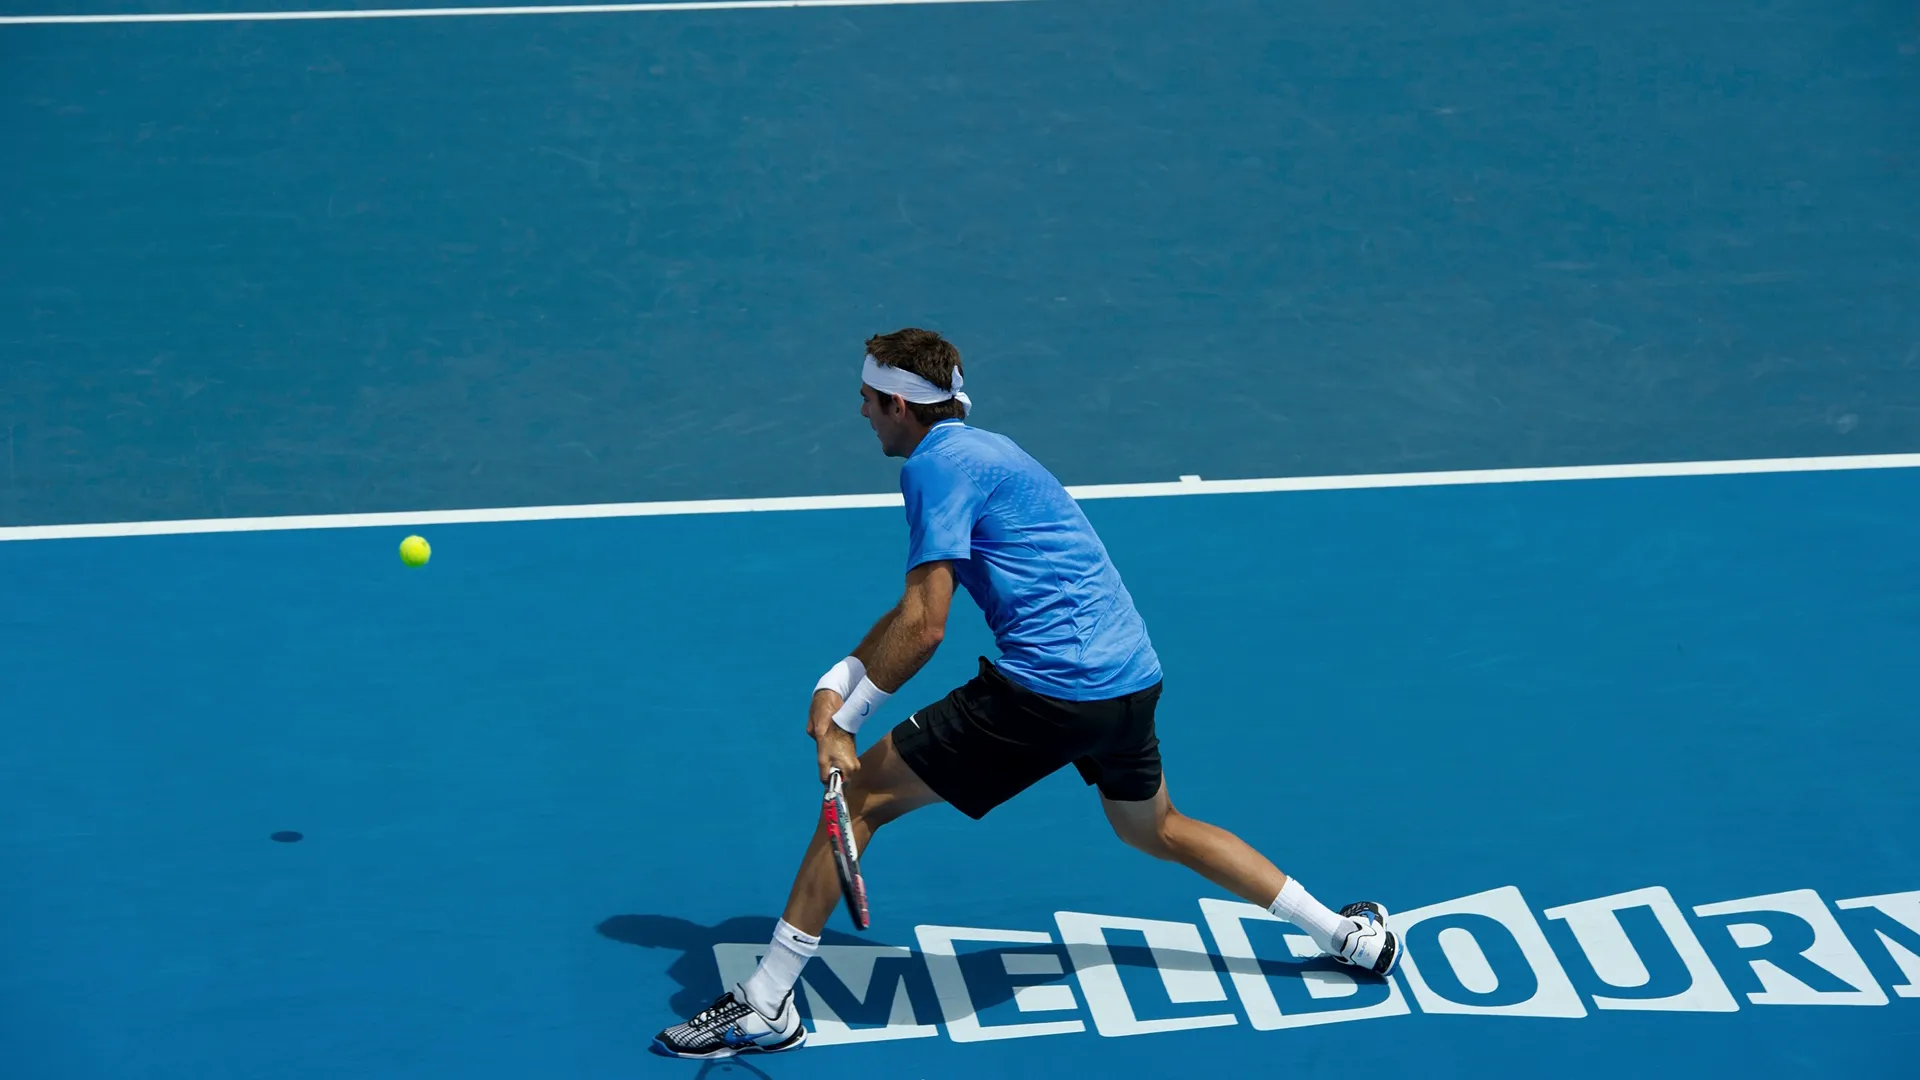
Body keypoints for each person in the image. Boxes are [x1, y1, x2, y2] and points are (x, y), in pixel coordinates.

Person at [650, 329, 1400, 1059]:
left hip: (1051, 693)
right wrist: (839, 677)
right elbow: (915, 602)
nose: (862, 412)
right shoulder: (987, 451)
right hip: (1129, 682)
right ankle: (1347, 937)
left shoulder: (931, 471)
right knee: (1155, 828)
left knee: (857, 802)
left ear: (901, 407)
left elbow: (927, 625)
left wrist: (846, 725)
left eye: (870, 399)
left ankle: (766, 1004)